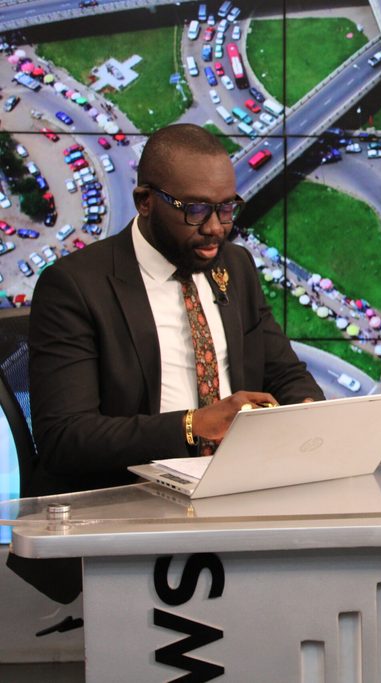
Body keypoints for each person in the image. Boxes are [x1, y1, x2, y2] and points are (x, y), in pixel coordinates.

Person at [28, 123, 325, 496]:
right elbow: (65, 439)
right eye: (197, 210)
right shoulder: (74, 286)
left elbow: (286, 375)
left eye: (227, 208)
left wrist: (309, 415)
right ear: (145, 201)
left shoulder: (235, 266)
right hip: (127, 502)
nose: (217, 228)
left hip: (235, 491)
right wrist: (194, 425)